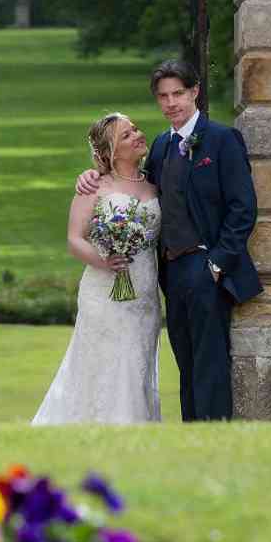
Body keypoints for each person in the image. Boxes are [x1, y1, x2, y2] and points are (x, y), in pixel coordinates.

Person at [76, 60, 261, 421]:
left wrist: (217, 263)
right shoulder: (160, 146)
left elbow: (244, 207)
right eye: (163, 96)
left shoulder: (222, 140)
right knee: (185, 357)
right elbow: (129, 187)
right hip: (171, 271)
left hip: (206, 265)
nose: (171, 102)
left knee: (209, 358)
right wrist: (91, 174)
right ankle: (193, 431)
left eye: (178, 93)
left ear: (195, 92)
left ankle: (214, 433)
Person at [32, 113, 163, 425]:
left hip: (144, 292)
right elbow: (74, 239)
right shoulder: (93, 187)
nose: (138, 135)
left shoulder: (156, 183)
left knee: (137, 363)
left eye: (136, 129)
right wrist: (106, 261)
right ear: (111, 152)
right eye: (127, 135)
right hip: (104, 292)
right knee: (103, 363)